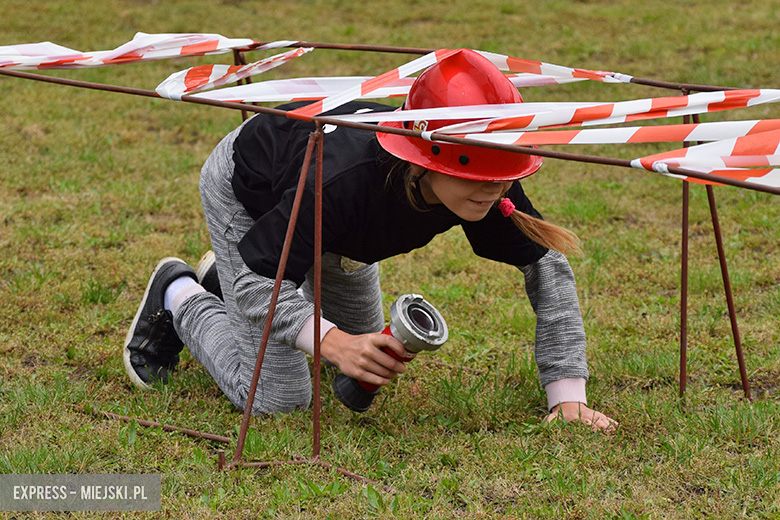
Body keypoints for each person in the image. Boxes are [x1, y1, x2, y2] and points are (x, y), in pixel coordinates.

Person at [123, 49, 617, 431]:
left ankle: (223, 278)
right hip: (252, 191)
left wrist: (567, 398)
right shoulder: (341, 183)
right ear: (424, 158)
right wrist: (334, 342)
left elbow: (547, 267)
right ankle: (179, 292)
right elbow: (257, 284)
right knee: (281, 397)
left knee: (358, 352)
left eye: (505, 176)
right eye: (477, 177)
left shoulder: (489, 175)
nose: (495, 190)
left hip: (335, 231)